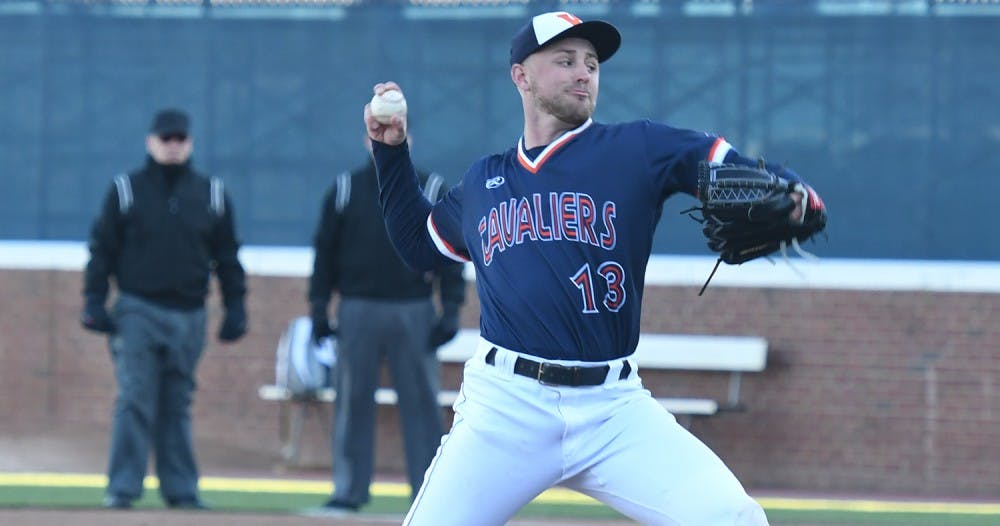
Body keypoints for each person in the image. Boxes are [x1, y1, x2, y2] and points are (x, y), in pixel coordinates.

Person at [363, 11, 827, 526]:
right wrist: (390, 152)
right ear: (521, 76)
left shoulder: (634, 148)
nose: (583, 72)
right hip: (506, 407)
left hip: (613, 408)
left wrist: (790, 188)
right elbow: (419, 246)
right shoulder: (483, 182)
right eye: (565, 60)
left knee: (732, 517)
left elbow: (711, 155)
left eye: (591, 63)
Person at [80, 108, 248, 510]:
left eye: (179, 139)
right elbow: (102, 251)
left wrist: (235, 307)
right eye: (165, 139)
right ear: (150, 142)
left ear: (190, 143)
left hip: (190, 313)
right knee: (135, 396)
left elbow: (227, 256)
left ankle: (181, 489)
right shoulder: (126, 190)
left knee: (177, 402)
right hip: (137, 309)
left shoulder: (211, 193)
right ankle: (123, 487)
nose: (173, 146)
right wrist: (93, 300)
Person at [307, 132, 467, 512]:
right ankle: (348, 491)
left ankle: (429, 492)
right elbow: (324, 253)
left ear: (409, 138)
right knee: (351, 401)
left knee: (422, 404)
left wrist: (450, 310)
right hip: (356, 307)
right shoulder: (345, 189)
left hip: (414, 308)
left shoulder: (431, 187)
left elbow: (451, 251)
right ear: (367, 140)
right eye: (377, 133)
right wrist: (319, 308)